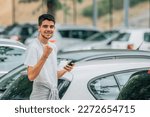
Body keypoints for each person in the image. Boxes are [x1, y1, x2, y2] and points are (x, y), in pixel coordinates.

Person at [24, 14, 74, 100]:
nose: (48, 29)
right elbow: (31, 76)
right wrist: (44, 56)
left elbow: (52, 76)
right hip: (40, 97)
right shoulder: (33, 46)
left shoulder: (53, 47)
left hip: (53, 94)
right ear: (39, 28)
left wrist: (65, 69)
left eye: (51, 27)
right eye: (45, 26)